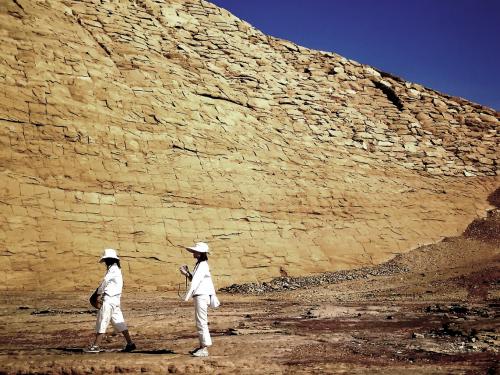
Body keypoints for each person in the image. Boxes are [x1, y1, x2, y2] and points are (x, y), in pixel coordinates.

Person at [85, 248, 136, 353]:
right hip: (115, 300)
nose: (105, 262)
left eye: (106, 260)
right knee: (119, 322)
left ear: (109, 260)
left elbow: (105, 282)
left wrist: (96, 294)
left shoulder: (113, 270)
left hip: (109, 299)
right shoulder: (116, 269)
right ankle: (130, 344)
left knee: (102, 320)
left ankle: (95, 346)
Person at [179, 241, 218, 357]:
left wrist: (185, 297)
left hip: (201, 296)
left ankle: (204, 348)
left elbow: (194, 282)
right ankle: (202, 346)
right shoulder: (200, 265)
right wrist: (186, 273)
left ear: (200, 253)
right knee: (201, 321)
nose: (193, 253)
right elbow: (195, 279)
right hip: (201, 295)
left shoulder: (202, 265)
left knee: (201, 322)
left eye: (195, 251)